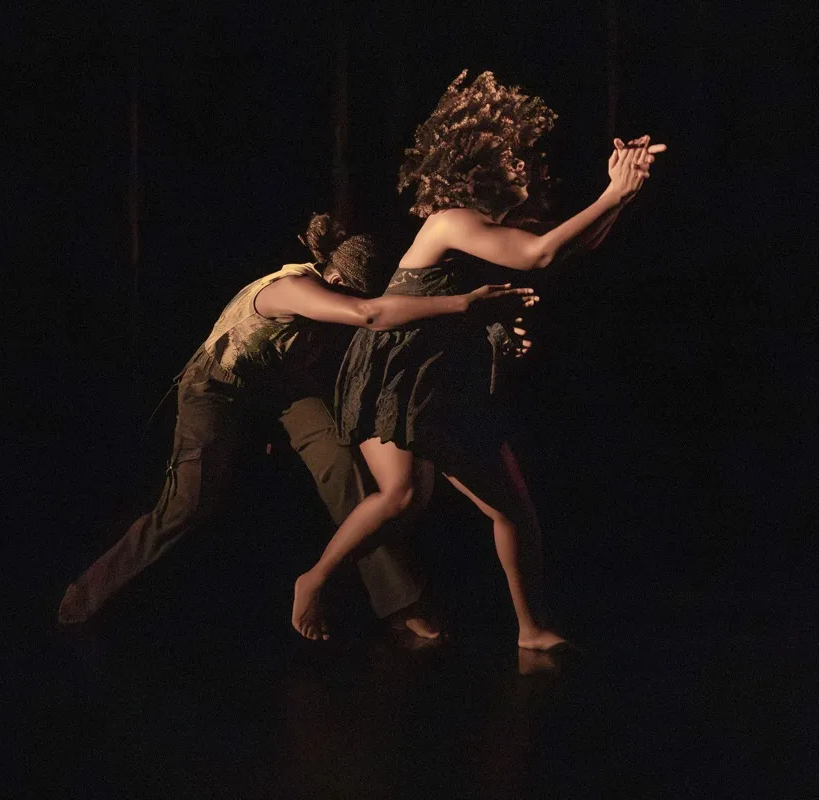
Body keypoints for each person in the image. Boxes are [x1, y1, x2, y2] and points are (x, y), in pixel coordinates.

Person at [290, 70, 665, 647]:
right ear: (473, 163)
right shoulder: (451, 220)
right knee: (441, 500)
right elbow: (539, 255)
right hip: (402, 371)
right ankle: (317, 581)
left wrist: (623, 194)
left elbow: (565, 248)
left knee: (451, 501)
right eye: (509, 159)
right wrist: (612, 195)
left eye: (524, 159)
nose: (522, 168)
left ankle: (528, 628)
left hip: (430, 371)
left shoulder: (489, 226)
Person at [58, 213, 537, 639]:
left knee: (344, 468)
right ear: (336, 279)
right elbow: (370, 315)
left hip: (281, 385)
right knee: (187, 503)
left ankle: (400, 602)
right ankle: (85, 600)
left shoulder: (334, 293)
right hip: (217, 386)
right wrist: (463, 303)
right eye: (350, 293)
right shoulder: (291, 288)